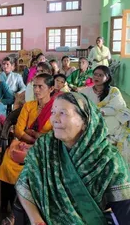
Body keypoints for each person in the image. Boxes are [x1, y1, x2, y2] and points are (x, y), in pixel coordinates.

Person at [15, 92, 130, 224]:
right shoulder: (45, 146)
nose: (54, 119)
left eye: (63, 113)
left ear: (86, 121)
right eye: (53, 112)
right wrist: (36, 219)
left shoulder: (109, 160)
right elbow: (24, 182)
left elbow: (124, 212)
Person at [0, 74, 56, 216]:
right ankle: (8, 208)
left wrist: (34, 136)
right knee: (7, 164)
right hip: (22, 145)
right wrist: (36, 136)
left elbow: (53, 136)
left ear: (51, 88)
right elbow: (18, 130)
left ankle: (32, 210)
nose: (36, 90)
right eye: (34, 86)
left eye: (40, 86)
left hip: (44, 148)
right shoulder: (29, 106)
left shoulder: (56, 108)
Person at [81, 66, 130, 164]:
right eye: (95, 74)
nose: (97, 77)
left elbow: (118, 107)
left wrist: (101, 111)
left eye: (100, 75)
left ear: (107, 78)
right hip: (93, 119)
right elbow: (82, 108)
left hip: (111, 119)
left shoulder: (114, 91)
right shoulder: (85, 91)